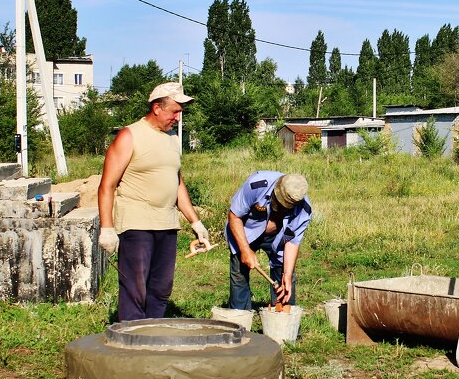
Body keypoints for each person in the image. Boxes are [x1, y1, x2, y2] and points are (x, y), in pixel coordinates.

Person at [97, 82, 210, 321]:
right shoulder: (130, 135)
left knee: (160, 289)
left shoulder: (172, 140)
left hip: (167, 224)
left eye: (181, 112)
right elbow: (107, 185)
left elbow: (177, 183)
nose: (178, 118)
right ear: (157, 108)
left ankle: (153, 335)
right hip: (137, 223)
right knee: (135, 289)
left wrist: (196, 223)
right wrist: (107, 228)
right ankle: (132, 340)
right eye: (175, 111)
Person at [225, 171, 312, 309]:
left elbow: (292, 241)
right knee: (239, 275)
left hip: (278, 237)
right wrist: (245, 250)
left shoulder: (303, 209)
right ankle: (239, 319)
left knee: (284, 276)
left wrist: (287, 274)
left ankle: (282, 320)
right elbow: (234, 216)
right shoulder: (257, 185)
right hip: (245, 232)